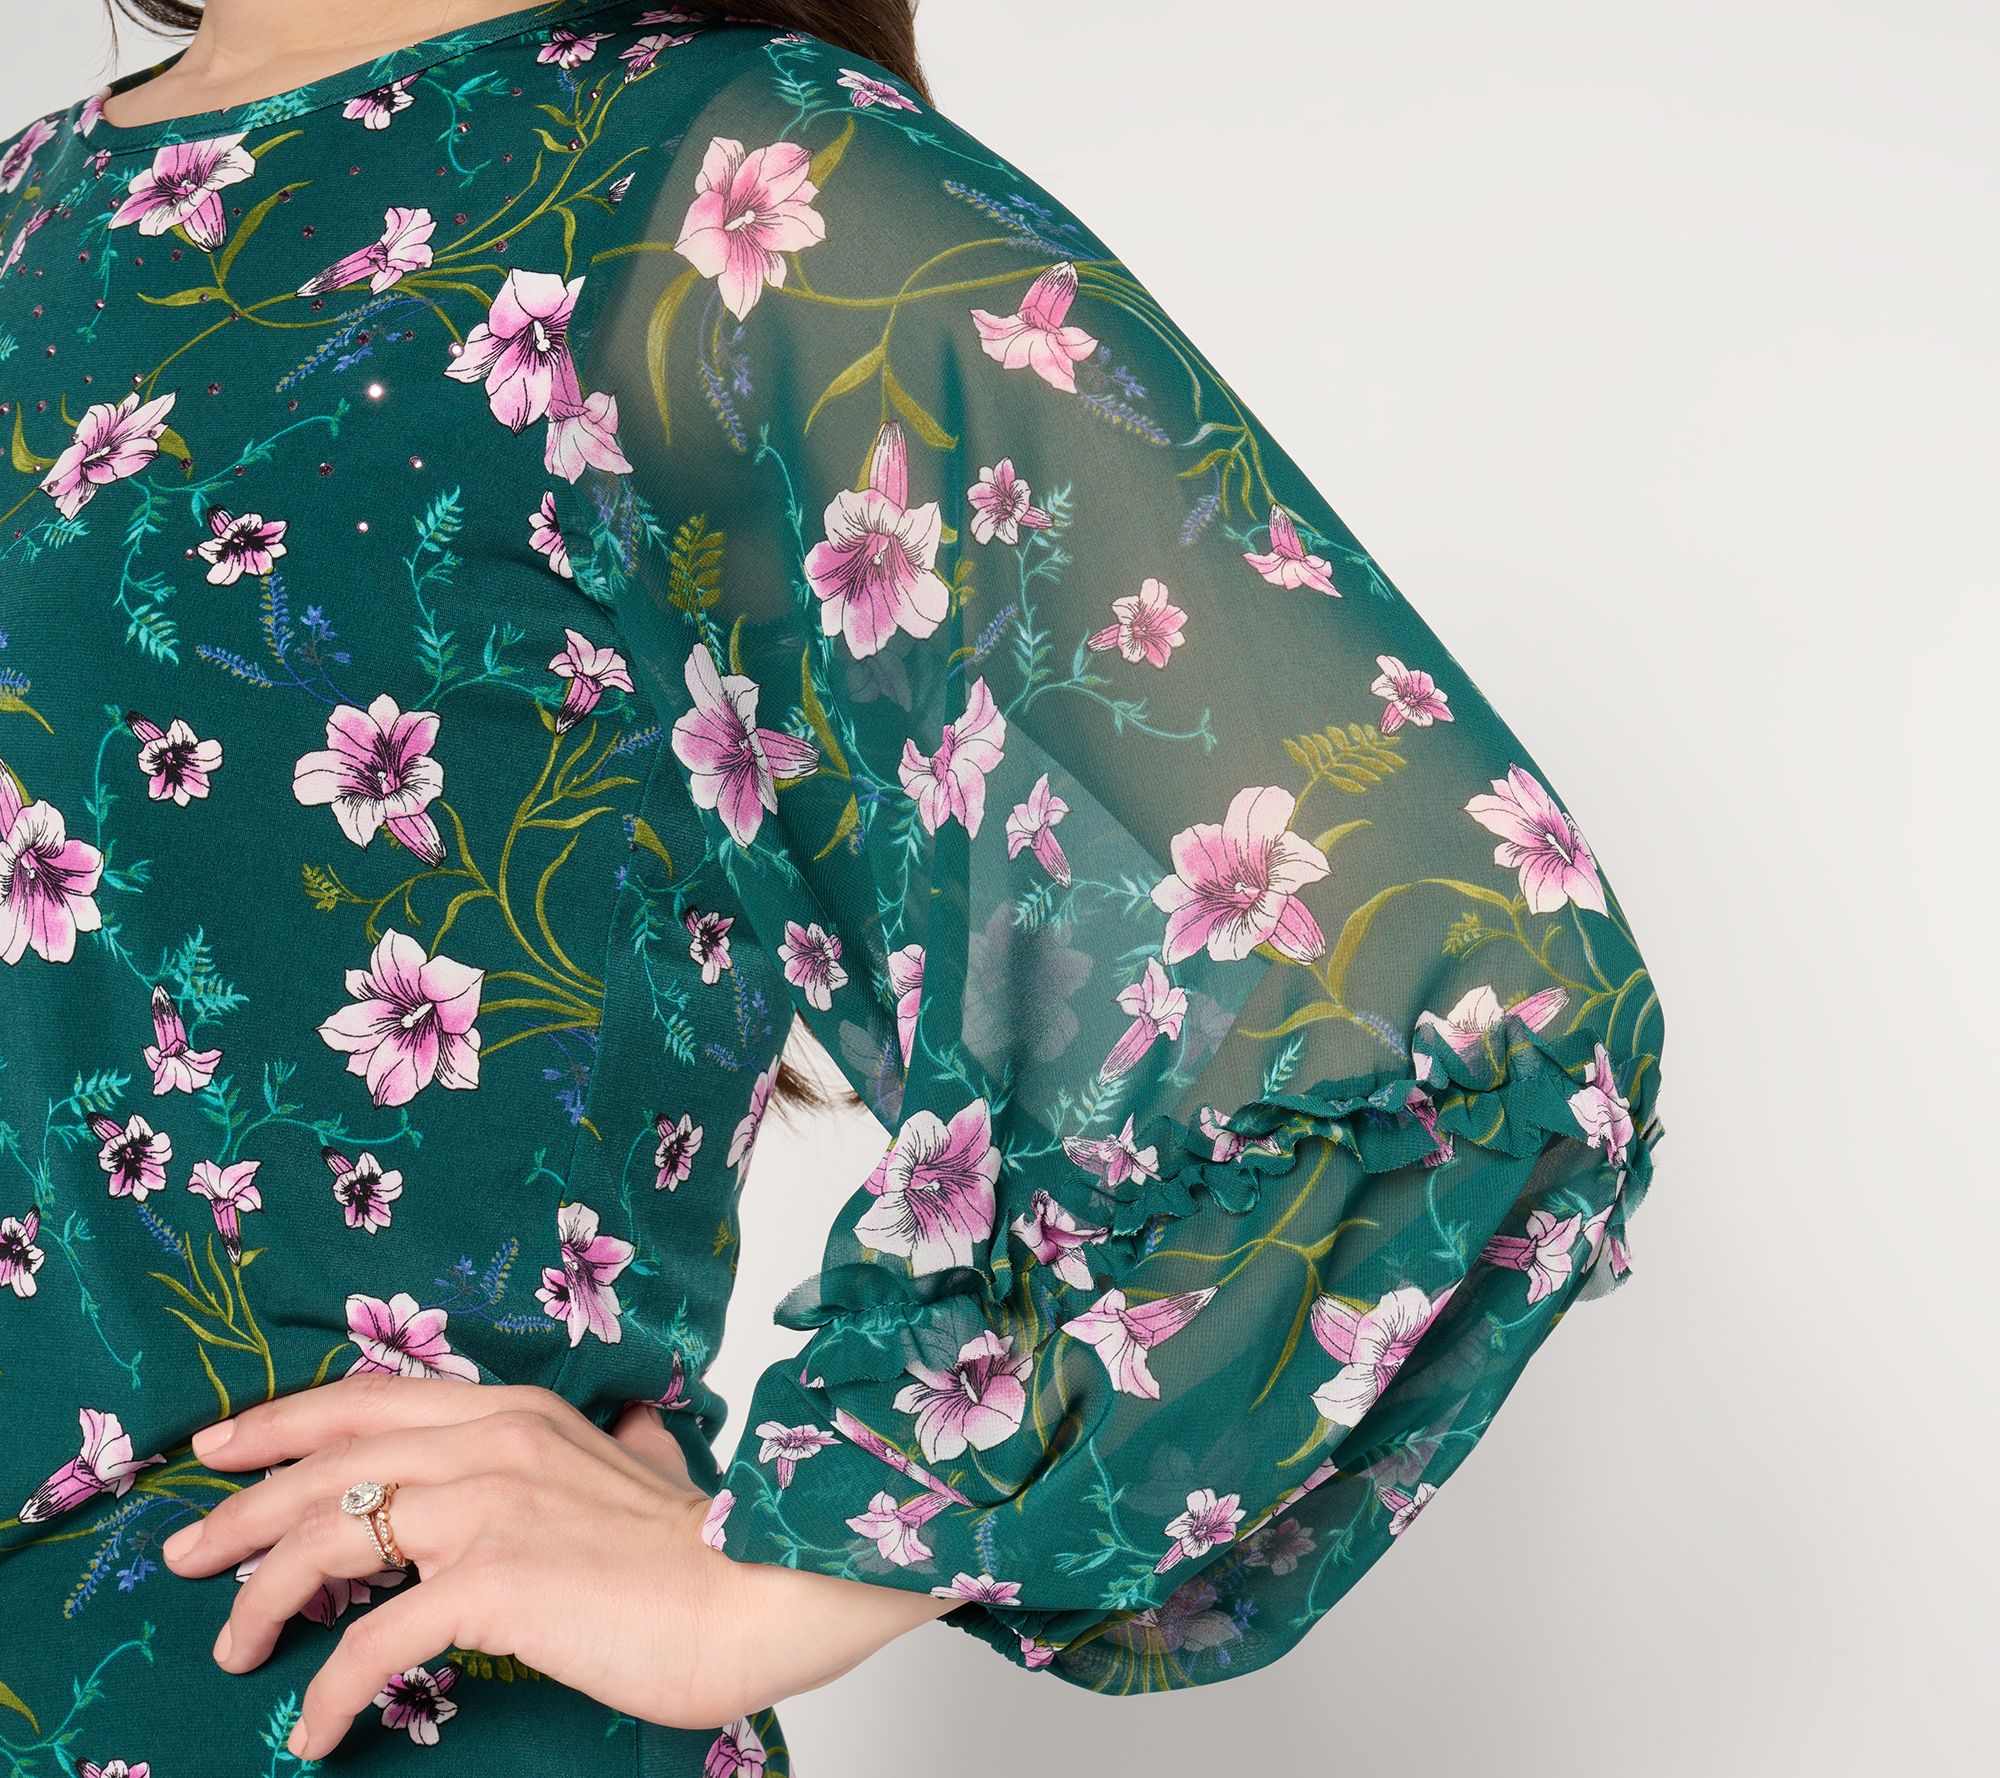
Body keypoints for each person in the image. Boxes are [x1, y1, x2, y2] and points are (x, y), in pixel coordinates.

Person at [0, 1, 1667, 1771]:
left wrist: (755, 1584)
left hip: (334, 1703)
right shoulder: (35, 212)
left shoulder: (704, 178)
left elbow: (1446, 996)